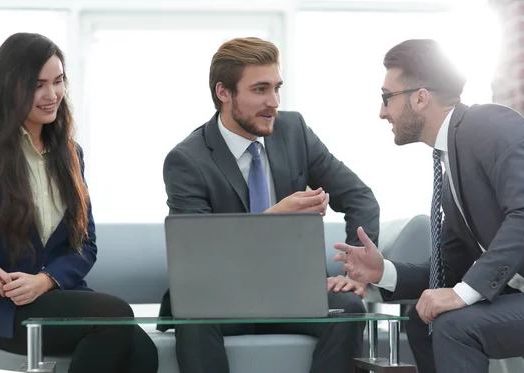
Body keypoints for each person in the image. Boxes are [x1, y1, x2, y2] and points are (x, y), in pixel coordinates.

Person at [334, 38, 524, 373]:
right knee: (422, 319)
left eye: (387, 97)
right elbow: (448, 268)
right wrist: (383, 272)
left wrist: (464, 294)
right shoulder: (452, 168)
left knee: (455, 326)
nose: (382, 112)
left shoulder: (492, 124)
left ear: (420, 97)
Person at [158, 37, 380, 373]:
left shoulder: (293, 131)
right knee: (194, 317)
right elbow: (198, 254)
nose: (273, 102)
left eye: (277, 88)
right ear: (224, 93)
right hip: (219, 297)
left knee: (350, 306)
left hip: (294, 292)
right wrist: (276, 217)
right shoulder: (187, 160)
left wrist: (356, 273)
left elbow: (360, 198)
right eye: (260, 89)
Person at [0, 33, 158, 373]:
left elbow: (86, 243)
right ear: (10, 86)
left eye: (58, 82)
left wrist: (45, 280)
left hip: (54, 296)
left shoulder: (70, 154)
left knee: (144, 354)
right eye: (37, 85)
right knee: (117, 318)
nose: (51, 95)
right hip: (2, 307)